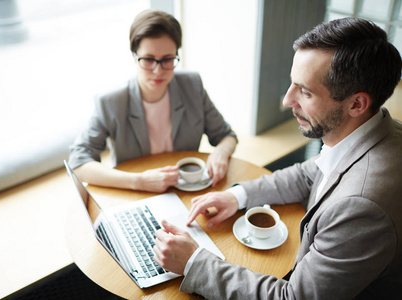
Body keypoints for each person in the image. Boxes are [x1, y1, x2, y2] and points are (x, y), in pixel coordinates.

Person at [152, 17, 402, 299]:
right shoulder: (374, 130)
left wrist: (193, 262)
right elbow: (311, 174)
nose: (287, 100)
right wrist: (237, 196)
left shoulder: (362, 208)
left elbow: (294, 297)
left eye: (305, 92)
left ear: (356, 104)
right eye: (292, 84)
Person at [68, 10, 237, 193]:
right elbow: (78, 162)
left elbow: (226, 135)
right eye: (148, 60)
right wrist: (139, 181)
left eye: (167, 60)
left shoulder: (192, 86)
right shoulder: (111, 102)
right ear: (134, 56)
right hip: (134, 193)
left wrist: (220, 152)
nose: (158, 71)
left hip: (186, 190)